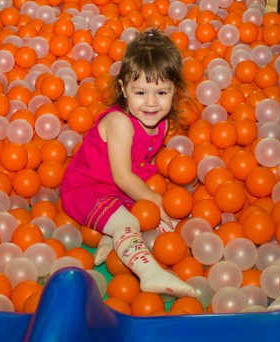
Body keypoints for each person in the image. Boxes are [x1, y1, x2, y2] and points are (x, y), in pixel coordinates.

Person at [59, 30, 198, 298]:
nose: (151, 102)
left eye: (161, 92)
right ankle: (149, 273)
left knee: (149, 218)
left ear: (174, 92)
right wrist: (154, 199)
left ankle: (110, 238)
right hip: (88, 189)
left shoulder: (161, 121)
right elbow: (123, 177)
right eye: (141, 92)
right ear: (124, 89)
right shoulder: (120, 123)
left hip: (119, 189)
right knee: (129, 223)